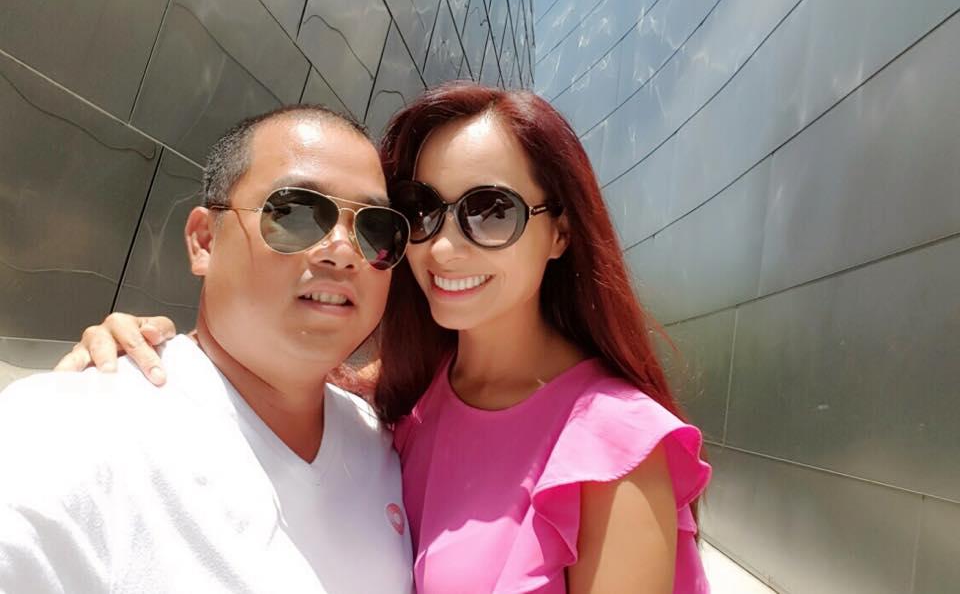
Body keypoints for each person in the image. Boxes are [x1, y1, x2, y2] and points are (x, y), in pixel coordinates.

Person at [59, 84, 712, 593]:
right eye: (421, 212)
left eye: (490, 211)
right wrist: (149, 347)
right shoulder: (401, 400)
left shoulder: (617, 448)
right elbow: (254, 371)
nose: (444, 247)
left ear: (561, 232)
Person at [0, 106, 415, 592]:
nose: (342, 251)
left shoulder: (388, 446)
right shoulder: (65, 432)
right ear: (204, 241)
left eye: (375, 229)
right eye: (297, 213)